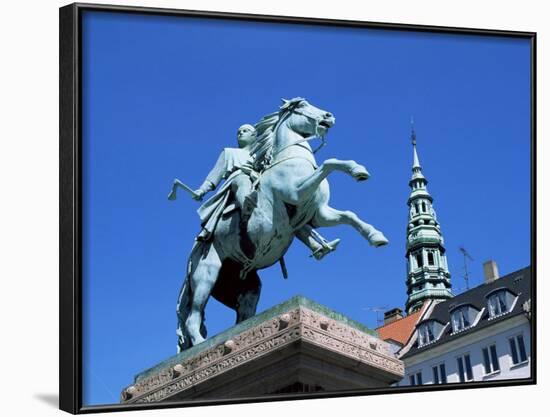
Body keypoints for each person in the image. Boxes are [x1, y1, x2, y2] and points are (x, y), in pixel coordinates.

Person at [168, 124, 339, 259]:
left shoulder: (262, 156)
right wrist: (201, 190)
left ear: (254, 135)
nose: (240, 133)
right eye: (239, 131)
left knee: (285, 208)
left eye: (246, 130)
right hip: (238, 182)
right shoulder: (229, 153)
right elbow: (214, 176)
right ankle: (247, 209)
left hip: (260, 185)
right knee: (242, 180)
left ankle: (316, 246)